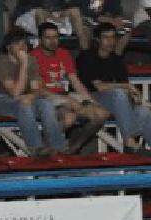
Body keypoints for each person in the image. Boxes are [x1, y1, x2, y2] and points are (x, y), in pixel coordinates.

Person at [77, 22, 151, 154]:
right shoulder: (86, 57)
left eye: (113, 37)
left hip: (115, 103)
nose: (110, 41)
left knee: (143, 110)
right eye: (106, 37)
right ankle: (129, 142)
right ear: (97, 40)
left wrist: (135, 98)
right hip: (92, 100)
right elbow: (98, 87)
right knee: (118, 93)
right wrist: (126, 87)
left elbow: (125, 87)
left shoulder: (116, 60)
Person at [31, 21, 109, 153]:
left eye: (55, 37)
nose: (52, 41)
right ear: (40, 40)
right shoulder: (33, 57)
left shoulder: (64, 54)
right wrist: (66, 101)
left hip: (64, 94)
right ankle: (43, 147)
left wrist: (89, 100)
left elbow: (75, 81)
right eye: (48, 38)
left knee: (102, 113)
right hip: (44, 98)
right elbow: (38, 89)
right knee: (69, 118)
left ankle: (73, 147)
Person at [0, 27, 68, 155]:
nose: (22, 47)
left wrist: (31, 96)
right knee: (24, 105)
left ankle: (58, 146)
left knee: (45, 103)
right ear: (8, 47)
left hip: (22, 98)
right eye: (18, 44)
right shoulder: (0, 62)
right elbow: (15, 92)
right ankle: (36, 148)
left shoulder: (31, 60)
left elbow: (36, 89)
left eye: (24, 43)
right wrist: (24, 64)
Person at [12, 0, 90, 50]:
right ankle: (45, 50)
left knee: (75, 11)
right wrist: (53, 16)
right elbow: (37, 9)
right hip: (30, 17)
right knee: (40, 12)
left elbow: (65, 7)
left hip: (53, 16)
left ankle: (85, 51)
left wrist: (64, 12)